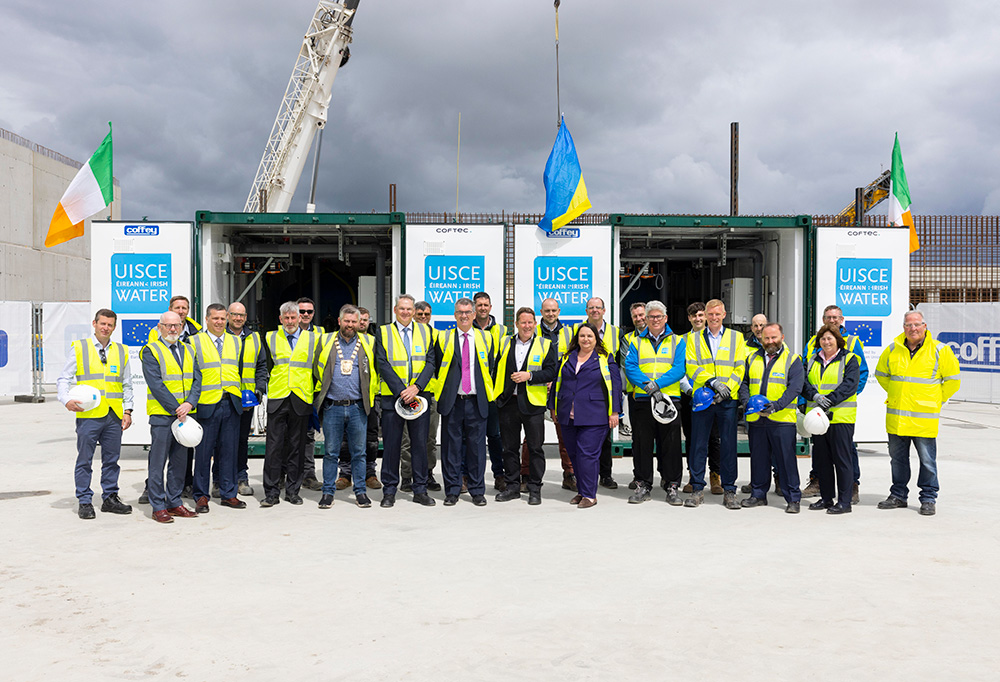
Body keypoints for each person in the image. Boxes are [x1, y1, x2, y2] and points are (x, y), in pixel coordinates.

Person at [874, 311, 961, 516]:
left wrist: (935, 400)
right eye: (908, 325)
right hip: (898, 417)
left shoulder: (940, 350)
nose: (912, 328)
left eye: (916, 325)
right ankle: (898, 495)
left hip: (924, 418)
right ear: (903, 327)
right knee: (897, 459)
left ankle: (928, 498)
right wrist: (898, 395)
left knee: (927, 461)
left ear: (925, 326)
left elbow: (953, 380)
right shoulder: (893, 349)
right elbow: (881, 375)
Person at [57, 308, 134, 520]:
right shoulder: (80, 348)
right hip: (88, 414)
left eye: (110, 325)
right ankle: (84, 500)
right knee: (85, 459)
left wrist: (127, 410)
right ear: (94, 323)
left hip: (113, 415)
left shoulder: (121, 350)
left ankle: (110, 497)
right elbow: (64, 378)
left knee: (112, 460)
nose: (105, 328)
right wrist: (66, 400)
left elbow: (126, 384)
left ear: (114, 327)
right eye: (102, 324)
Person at [375, 294, 438, 507]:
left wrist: (416, 387)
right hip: (393, 398)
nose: (405, 312)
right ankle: (389, 491)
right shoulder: (383, 332)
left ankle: (420, 490)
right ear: (395, 310)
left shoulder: (427, 331)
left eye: (409, 309)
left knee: (419, 445)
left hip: (419, 398)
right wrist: (402, 390)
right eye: (402, 308)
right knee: (392, 446)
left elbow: (431, 362)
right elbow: (381, 363)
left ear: (413, 311)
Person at [801, 305, 869, 502]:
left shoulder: (852, 345)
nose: (832, 320)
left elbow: (858, 376)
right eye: (828, 317)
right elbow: (805, 378)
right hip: (818, 414)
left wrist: (844, 397)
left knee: (845, 456)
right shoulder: (812, 345)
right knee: (822, 457)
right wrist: (811, 399)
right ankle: (823, 491)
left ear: (842, 319)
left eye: (836, 317)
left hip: (840, 413)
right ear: (823, 319)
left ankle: (850, 490)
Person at [684, 299, 748, 508]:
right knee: (698, 444)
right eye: (710, 314)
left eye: (717, 314)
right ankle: (696, 488)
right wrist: (712, 383)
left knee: (728, 445)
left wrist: (726, 389)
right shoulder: (693, 339)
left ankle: (730, 490)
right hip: (703, 398)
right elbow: (691, 366)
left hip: (727, 400)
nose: (713, 318)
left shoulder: (736, 338)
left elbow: (740, 367)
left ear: (724, 314)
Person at [623, 300, 687, 505]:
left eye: (659, 316)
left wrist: (656, 385)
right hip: (643, 400)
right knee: (642, 444)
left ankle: (672, 485)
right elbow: (630, 367)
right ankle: (643, 484)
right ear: (646, 319)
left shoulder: (678, 342)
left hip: (669, 400)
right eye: (651, 317)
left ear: (665, 318)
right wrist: (646, 386)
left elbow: (679, 368)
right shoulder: (636, 342)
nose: (655, 320)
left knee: (671, 444)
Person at [551, 323, 622, 508]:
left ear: (596, 338)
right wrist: (553, 407)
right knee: (574, 454)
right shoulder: (568, 357)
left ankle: (590, 495)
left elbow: (615, 385)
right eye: (582, 336)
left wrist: (615, 411)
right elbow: (558, 380)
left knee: (587, 455)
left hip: (594, 415)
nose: (586, 339)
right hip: (568, 414)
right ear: (577, 338)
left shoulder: (605, 358)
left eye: (590, 336)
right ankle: (582, 491)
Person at [141, 311, 202, 523]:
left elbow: (197, 379)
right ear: (160, 327)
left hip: (184, 415)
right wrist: (178, 408)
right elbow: (156, 384)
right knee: (158, 462)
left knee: (179, 462)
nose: (173, 329)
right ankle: (158, 505)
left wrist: (190, 403)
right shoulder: (151, 350)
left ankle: (174, 502)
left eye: (177, 325)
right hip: (163, 415)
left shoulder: (188, 349)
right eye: (168, 326)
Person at [314, 305, 378, 508]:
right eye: (347, 321)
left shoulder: (369, 341)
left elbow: (376, 368)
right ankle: (327, 493)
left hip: (358, 407)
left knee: (359, 452)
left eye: (354, 322)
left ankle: (360, 492)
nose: (350, 325)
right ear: (340, 321)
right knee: (331, 452)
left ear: (359, 323)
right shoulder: (326, 340)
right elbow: (316, 367)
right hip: (333, 406)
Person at [434, 298, 496, 506]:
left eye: (468, 312)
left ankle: (477, 490)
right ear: (454, 315)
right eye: (460, 312)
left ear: (474, 314)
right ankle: (452, 490)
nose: (464, 316)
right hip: (453, 401)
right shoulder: (444, 338)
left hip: (477, 401)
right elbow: (436, 367)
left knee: (477, 448)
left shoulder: (485, 338)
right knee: (451, 448)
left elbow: (492, 368)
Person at [738, 323, 804, 513]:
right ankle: (758, 494)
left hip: (782, 419)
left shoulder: (793, 360)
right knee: (758, 459)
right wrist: (747, 402)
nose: (770, 341)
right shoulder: (752, 358)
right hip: (757, 419)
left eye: (774, 337)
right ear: (761, 339)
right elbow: (743, 383)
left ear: (782, 337)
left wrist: (776, 406)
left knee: (786, 460)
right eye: (766, 338)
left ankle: (793, 498)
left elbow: (795, 388)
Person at [260, 302, 321, 507]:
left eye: (293, 317)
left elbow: (318, 367)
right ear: (280, 319)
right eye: (285, 318)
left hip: (301, 396)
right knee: (273, 447)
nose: (289, 321)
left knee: (298, 447)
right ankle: (271, 492)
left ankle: (293, 491)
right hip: (278, 396)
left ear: (299, 318)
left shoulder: (313, 338)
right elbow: (264, 365)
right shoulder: (270, 337)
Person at [495, 307, 558, 505]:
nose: (527, 326)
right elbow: (496, 368)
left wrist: (529, 376)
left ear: (535, 324)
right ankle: (512, 486)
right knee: (509, 448)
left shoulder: (545, 344)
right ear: (516, 324)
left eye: (530, 322)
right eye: (523, 322)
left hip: (533, 404)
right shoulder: (505, 342)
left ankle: (534, 488)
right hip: (508, 403)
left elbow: (551, 372)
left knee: (535, 448)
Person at [187, 304, 246, 513]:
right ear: (207, 319)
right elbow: (192, 374)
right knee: (203, 453)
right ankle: (201, 495)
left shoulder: (236, 341)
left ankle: (229, 493)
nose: (220, 322)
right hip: (206, 403)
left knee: (229, 451)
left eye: (223, 318)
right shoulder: (194, 342)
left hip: (231, 402)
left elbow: (237, 370)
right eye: (216, 318)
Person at [578, 297, 623, 490]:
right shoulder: (578, 331)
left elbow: (620, 365)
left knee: (604, 438)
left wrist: (616, 405)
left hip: (605, 392)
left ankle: (605, 475)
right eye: (591, 308)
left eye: (598, 307)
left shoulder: (616, 332)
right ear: (586, 311)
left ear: (604, 310)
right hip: (585, 391)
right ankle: (582, 477)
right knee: (584, 440)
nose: (595, 310)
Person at [534, 297, 576, 492]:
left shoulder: (569, 333)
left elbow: (574, 361)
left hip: (561, 390)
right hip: (536, 388)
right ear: (541, 312)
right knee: (532, 437)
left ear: (559, 311)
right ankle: (527, 475)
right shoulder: (532, 331)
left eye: (553, 311)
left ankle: (569, 475)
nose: (550, 314)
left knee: (565, 434)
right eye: (546, 311)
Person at [336, 306, 381, 491]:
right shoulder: (338, 341)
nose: (361, 322)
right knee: (345, 437)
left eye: (365, 319)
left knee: (371, 437)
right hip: (348, 396)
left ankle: (370, 473)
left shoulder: (373, 341)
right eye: (358, 319)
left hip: (370, 397)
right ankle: (345, 474)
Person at [680, 302, 722, 495]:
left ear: (705, 316)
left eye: (700, 315)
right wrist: (689, 390)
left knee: (714, 438)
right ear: (689, 318)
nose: (697, 319)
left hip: (715, 396)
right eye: (693, 316)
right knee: (692, 438)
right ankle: (693, 474)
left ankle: (715, 475)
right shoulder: (682, 340)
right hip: (691, 395)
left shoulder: (717, 338)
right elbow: (682, 368)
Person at [225, 301, 266, 496]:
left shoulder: (255, 338)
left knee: (242, 440)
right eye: (234, 314)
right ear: (228, 316)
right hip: (223, 398)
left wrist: (259, 388)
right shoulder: (220, 336)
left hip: (246, 400)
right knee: (222, 441)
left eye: (241, 315)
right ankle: (219, 480)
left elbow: (262, 366)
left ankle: (241, 477)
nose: (238, 318)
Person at [400, 300, 441, 492]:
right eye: (420, 314)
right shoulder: (408, 335)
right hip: (411, 394)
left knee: (430, 438)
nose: (423, 317)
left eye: (427, 315)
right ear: (414, 314)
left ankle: (428, 473)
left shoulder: (435, 335)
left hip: (431, 394)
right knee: (408, 438)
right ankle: (407, 475)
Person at [472, 291, 507, 490]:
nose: (483, 308)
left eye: (486, 305)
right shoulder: (467, 327)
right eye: (480, 305)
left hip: (494, 393)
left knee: (495, 436)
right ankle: (467, 476)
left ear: (491, 307)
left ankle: (499, 475)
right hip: (474, 392)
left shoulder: (502, 330)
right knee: (471, 437)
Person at [297, 297, 325, 491]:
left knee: (308, 435)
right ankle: (286, 473)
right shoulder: (283, 333)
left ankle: (308, 474)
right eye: (302, 311)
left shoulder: (321, 334)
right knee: (286, 436)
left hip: (312, 392)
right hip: (289, 392)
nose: (305, 315)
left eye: (309, 312)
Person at [621, 302, 646, 478]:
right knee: (639, 440)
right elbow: (627, 365)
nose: (639, 319)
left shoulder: (667, 337)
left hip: (663, 394)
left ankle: (667, 479)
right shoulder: (627, 339)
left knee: (663, 440)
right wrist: (648, 384)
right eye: (635, 316)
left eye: (641, 315)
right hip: (637, 395)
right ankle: (640, 477)